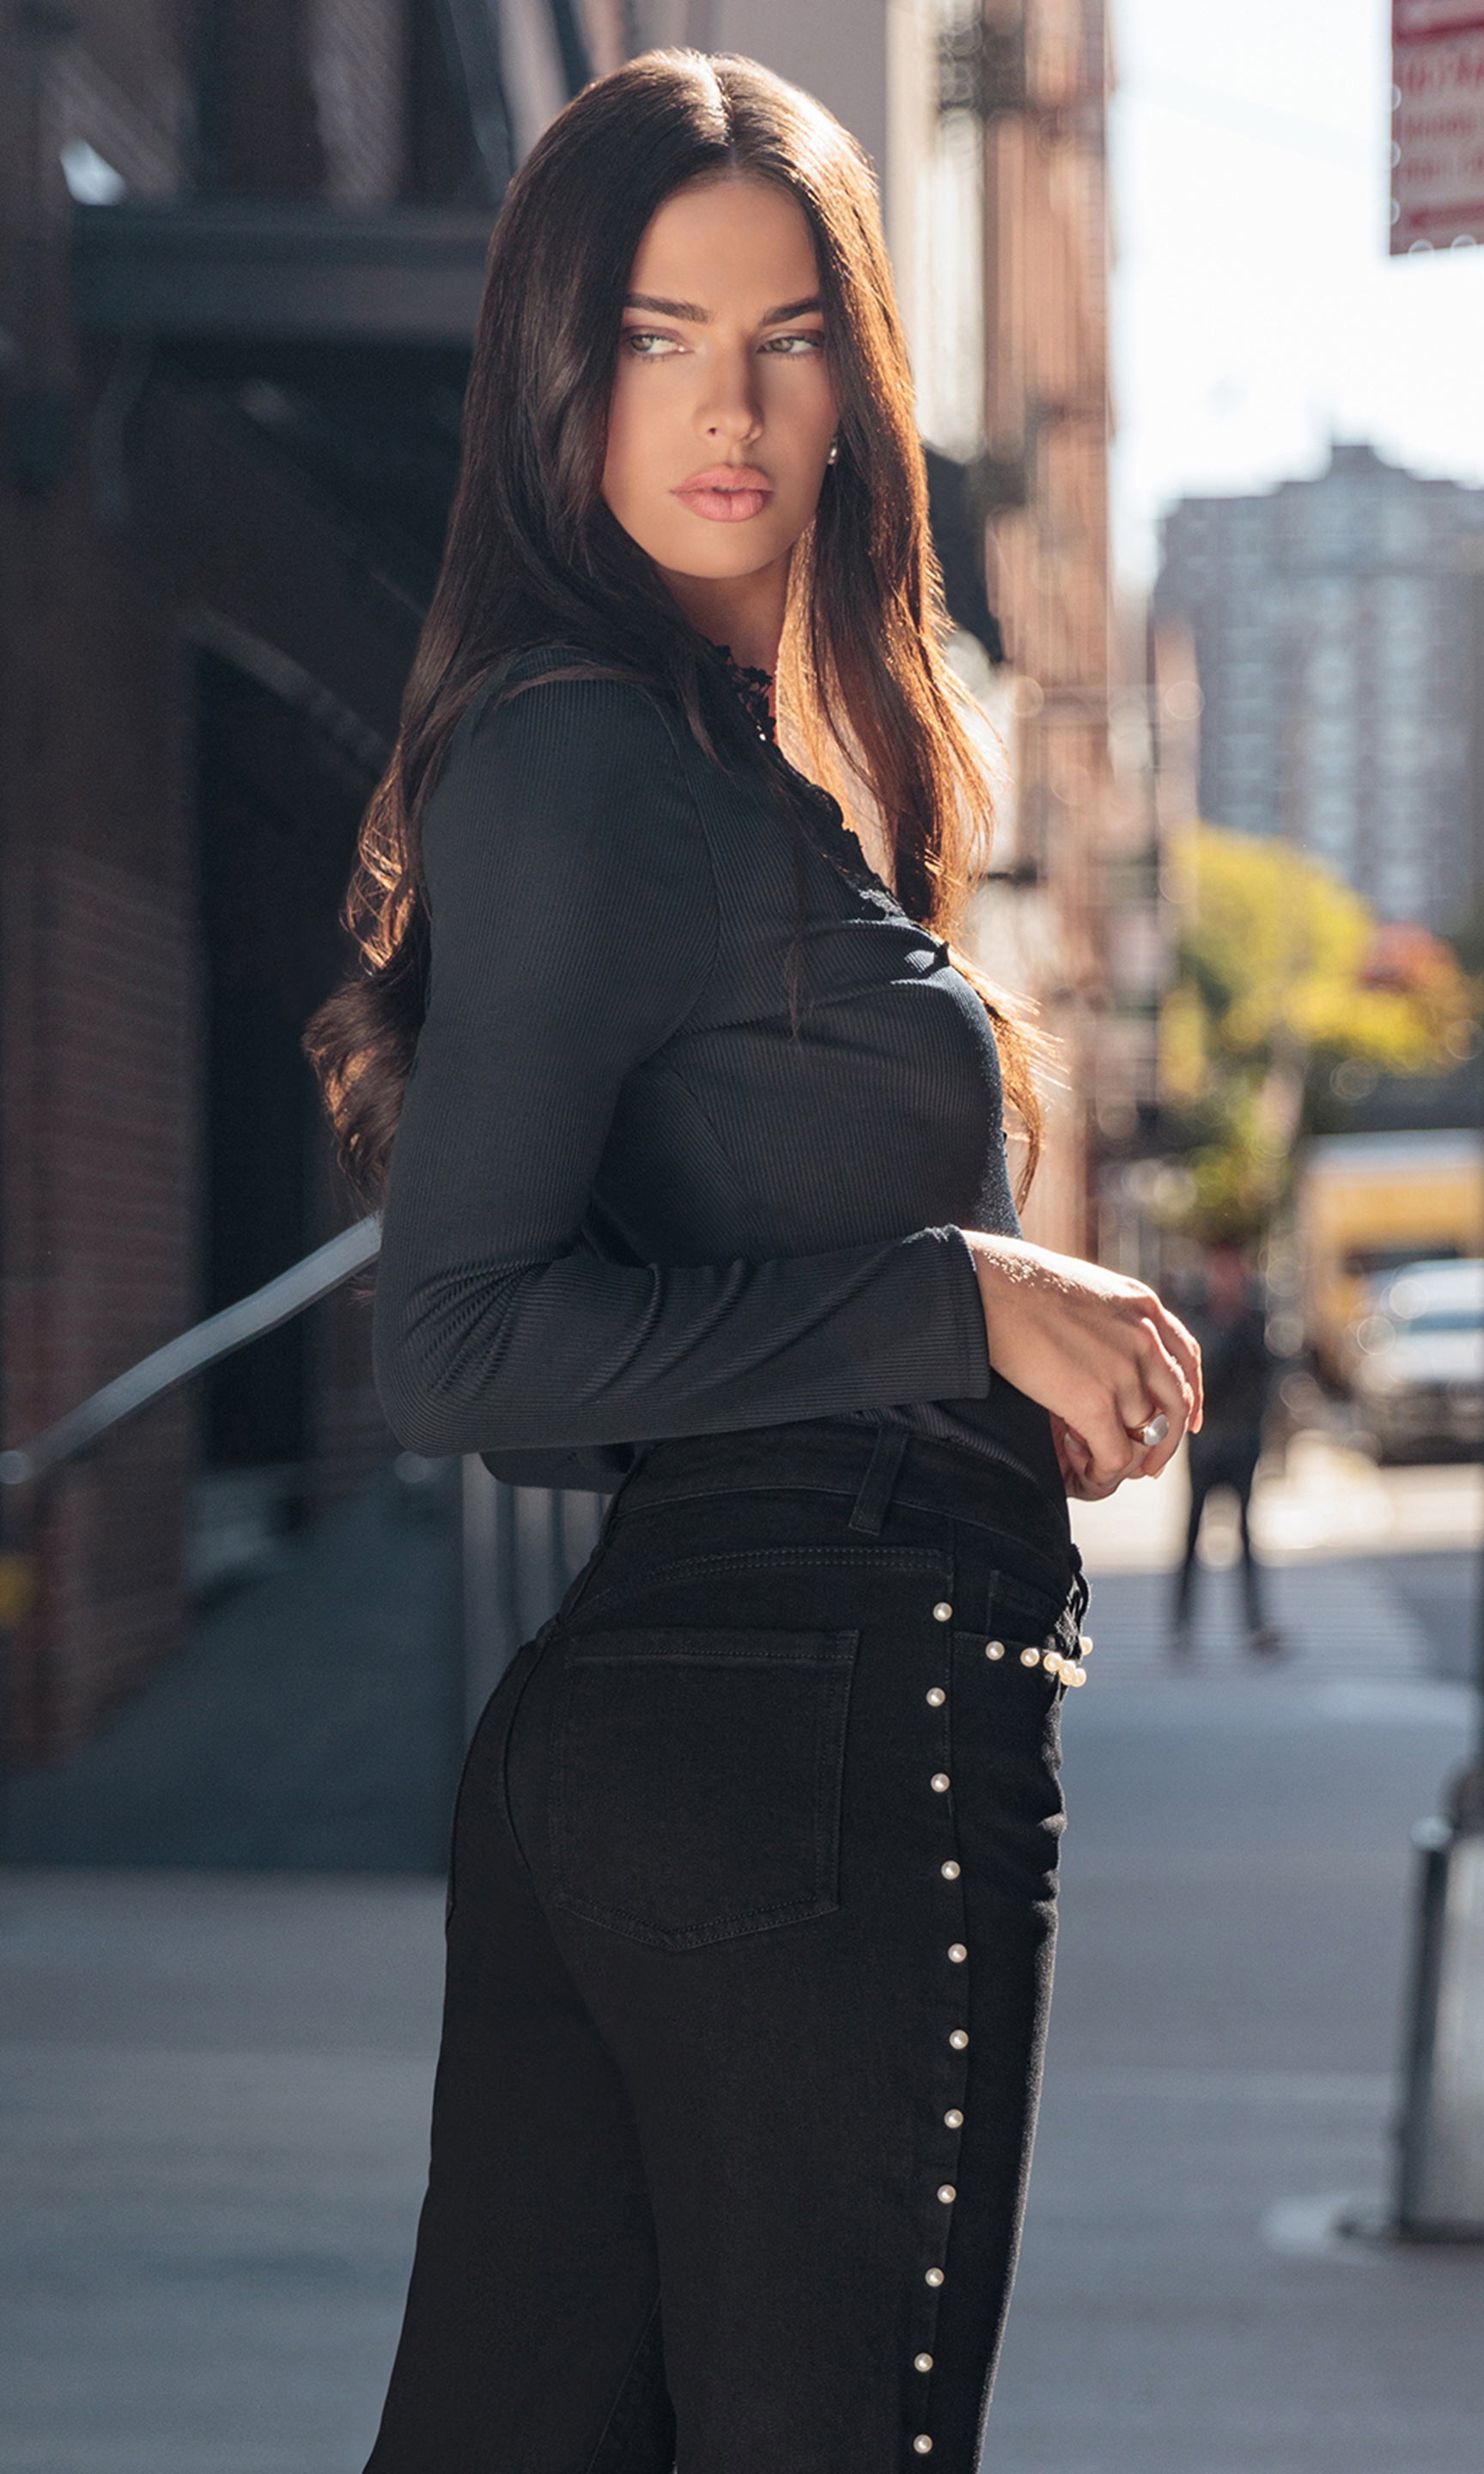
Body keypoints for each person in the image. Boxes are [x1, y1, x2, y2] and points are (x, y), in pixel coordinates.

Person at [306, 50, 1202, 2473]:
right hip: (819, 1738)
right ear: (552, 371)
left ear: (850, 379)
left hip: (680, 1744)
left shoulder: (720, 768)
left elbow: (620, 1324)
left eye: (785, 331)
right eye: (656, 329)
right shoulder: (593, 752)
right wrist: (953, 1301)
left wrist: (972, 1355)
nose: (725, 402)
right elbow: (462, 1345)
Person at [1169, 1241, 1281, 1660]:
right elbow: (1196, 1371)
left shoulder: (1254, 1316)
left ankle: (1254, 1624)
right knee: (1191, 1535)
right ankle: (1181, 1626)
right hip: (1205, 1441)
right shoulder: (1197, 1315)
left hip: (1242, 1440)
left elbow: (1269, 1372)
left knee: (1247, 1538)